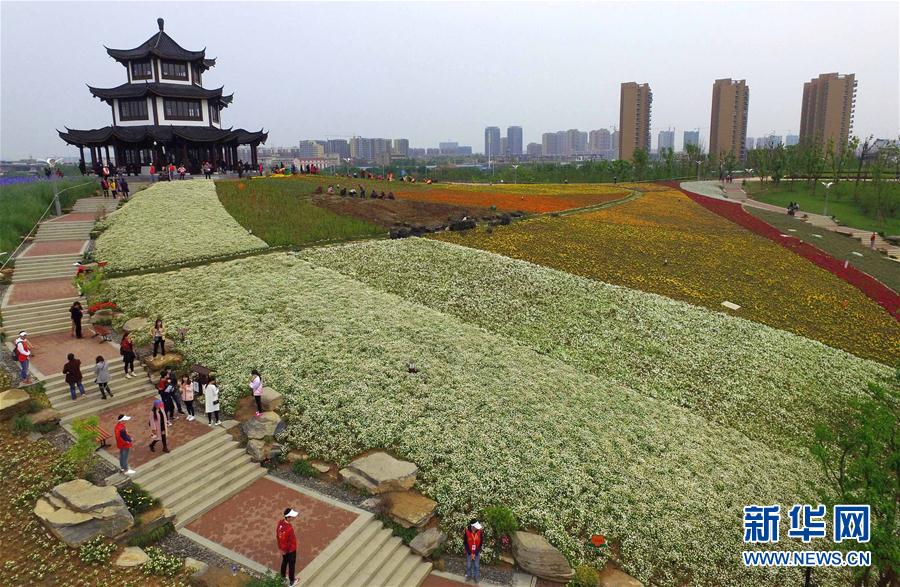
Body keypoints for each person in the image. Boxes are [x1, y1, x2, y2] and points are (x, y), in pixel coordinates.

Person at [277, 508, 299, 587]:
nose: (294, 518)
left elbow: (278, 537)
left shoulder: (280, 523)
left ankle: (282, 578)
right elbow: (288, 542)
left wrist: (281, 549)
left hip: (284, 550)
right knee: (291, 565)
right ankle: (292, 581)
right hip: (290, 550)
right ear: (288, 517)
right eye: (292, 517)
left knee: (284, 562)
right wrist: (286, 550)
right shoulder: (289, 529)